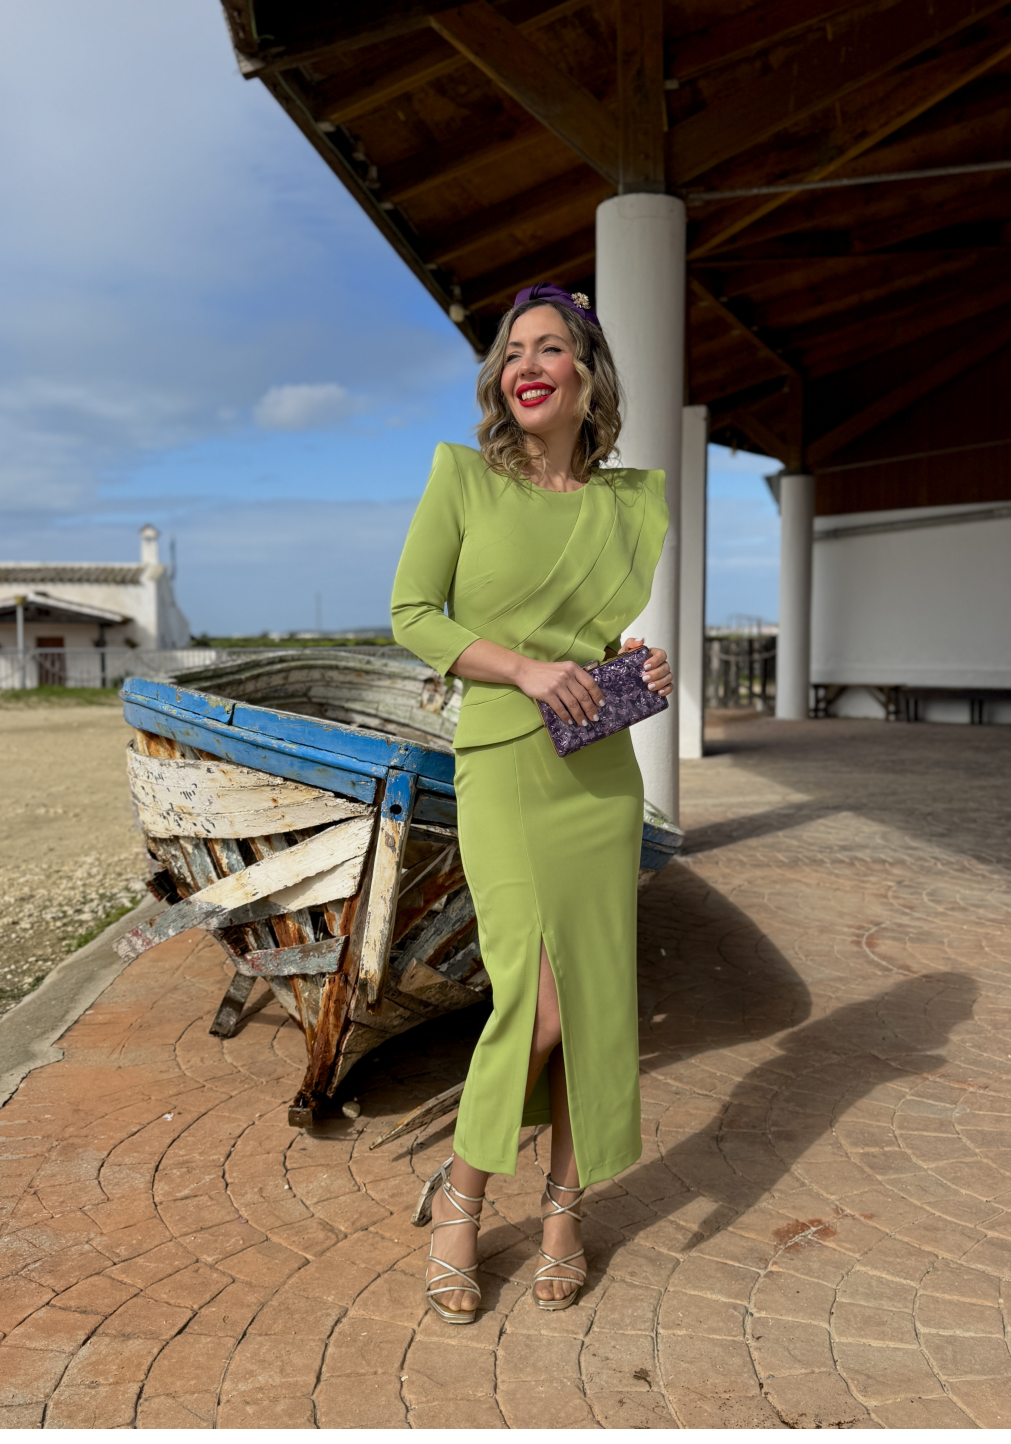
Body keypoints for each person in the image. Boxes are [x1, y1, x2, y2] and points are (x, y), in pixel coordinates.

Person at [390, 282, 673, 1323]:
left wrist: (630, 663)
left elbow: (592, 650)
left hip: (597, 772)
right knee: (539, 1002)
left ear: (588, 375)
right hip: (504, 760)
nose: (528, 363)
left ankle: (565, 1203)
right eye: (514, 351)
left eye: (553, 347)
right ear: (500, 380)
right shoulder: (462, 480)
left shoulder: (627, 501)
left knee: (595, 997)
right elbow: (413, 613)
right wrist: (520, 667)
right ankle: (462, 1194)